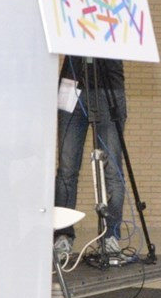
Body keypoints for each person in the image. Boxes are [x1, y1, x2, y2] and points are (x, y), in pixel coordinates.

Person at [53, 55, 131, 266]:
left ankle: (110, 237)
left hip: (108, 88)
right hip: (71, 85)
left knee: (112, 169)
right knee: (66, 169)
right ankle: (62, 236)